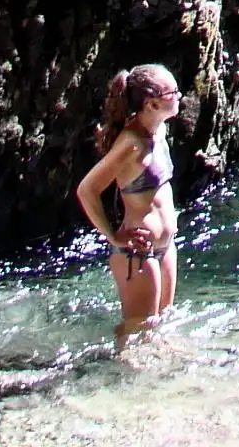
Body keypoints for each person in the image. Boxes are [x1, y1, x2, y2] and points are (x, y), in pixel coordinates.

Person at [72, 62, 183, 351]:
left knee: (162, 327)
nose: (180, 96)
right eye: (174, 92)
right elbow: (87, 190)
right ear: (152, 103)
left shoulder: (158, 133)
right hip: (138, 252)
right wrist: (112, 235)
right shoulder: (131, 143)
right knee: (137, 335)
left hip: (164, 246)